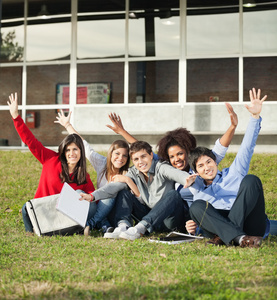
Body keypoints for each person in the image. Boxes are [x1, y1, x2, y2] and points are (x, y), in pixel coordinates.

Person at [186, 88, 268, 248]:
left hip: (248, 221)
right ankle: (241, 239)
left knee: (252, 180)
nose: (207, 167)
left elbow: (247, 147)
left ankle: (228, 236)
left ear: (215, 162)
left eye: (209, 162)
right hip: (219, 223)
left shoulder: (234, 172)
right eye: (201, 166)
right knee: (196, 206)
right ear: (197, 172)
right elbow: (201, 217)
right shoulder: (198, 189)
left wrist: (254, 117)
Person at [8, 93, 95, 234]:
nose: (72, 153)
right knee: (26, 208)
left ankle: (74, 228)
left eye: (75, 149)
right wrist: (16, 116)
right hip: (43, 210)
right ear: (63, 151)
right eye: (68, 150)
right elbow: (30, 141)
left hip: (64, 216)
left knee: (88, 201)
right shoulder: (50, 159)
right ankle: (36, 231)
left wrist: (87, 197)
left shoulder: (83, 176)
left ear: (81, 152)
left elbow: (92, 196)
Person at [55, 110, 140, 236]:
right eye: (117, 154)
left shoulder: (128, 172)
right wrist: (68, 126)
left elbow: (141, 150)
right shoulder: (102, 163)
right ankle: (104, 226)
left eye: (124, 156)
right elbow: (84, 146)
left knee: (110, 193)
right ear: (111, 153)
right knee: (94, 196)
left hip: (118, 212)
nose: (120, 158)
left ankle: (93, 223)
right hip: (101, 207)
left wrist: (122, 132)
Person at [88, 140, 193, 241]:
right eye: (136, 159)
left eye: (143, 156)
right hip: (147, 217)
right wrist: (93, 195)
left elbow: (176, 173)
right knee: (123, 191)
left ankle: (140, 228)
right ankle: (123, 226)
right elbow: (115, 186)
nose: (140, 162)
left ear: (151, 155)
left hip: (168, 221)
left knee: (174, 195)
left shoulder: (161, 167)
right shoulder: (133, 171)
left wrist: (186, 179)